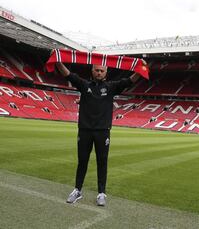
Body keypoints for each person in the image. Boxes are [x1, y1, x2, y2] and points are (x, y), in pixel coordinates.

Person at [55, 62, 142, 206]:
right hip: (84, 130)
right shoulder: (84, 85)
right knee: (82, 161)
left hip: (103, 131)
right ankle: (77, 190)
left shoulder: (111, 87)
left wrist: (140, 70)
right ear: (92, 71)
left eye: (102, 71)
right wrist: (58, 62)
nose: (99, 73)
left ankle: (101, 193)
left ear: (106, 73)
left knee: (102, 162)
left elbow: (129, 81)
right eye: (97, 70)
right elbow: (69, 75)